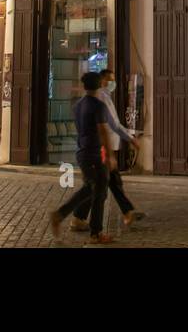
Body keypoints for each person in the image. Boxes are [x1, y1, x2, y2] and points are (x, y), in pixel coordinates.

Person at [71, 68, 142, 230]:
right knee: (102, 185)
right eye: (110, 79)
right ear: (101, 81)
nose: (112, 83)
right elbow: (113, 125)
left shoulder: (93, 100)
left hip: (98, 148)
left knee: (105, 183)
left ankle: (80, 217)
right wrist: (129, 139)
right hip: (102, 149)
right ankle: (79, 219)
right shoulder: (101, 99)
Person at [51, 71, 117, 244]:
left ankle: (72, 218)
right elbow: (103, 131)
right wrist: (110, 155)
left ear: (84, 86)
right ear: (100, 85)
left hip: (82, 152)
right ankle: (95, 233)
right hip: (95, 154)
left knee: (92, 188)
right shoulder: (97, 106)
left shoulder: (78, 105)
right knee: (98, 190)